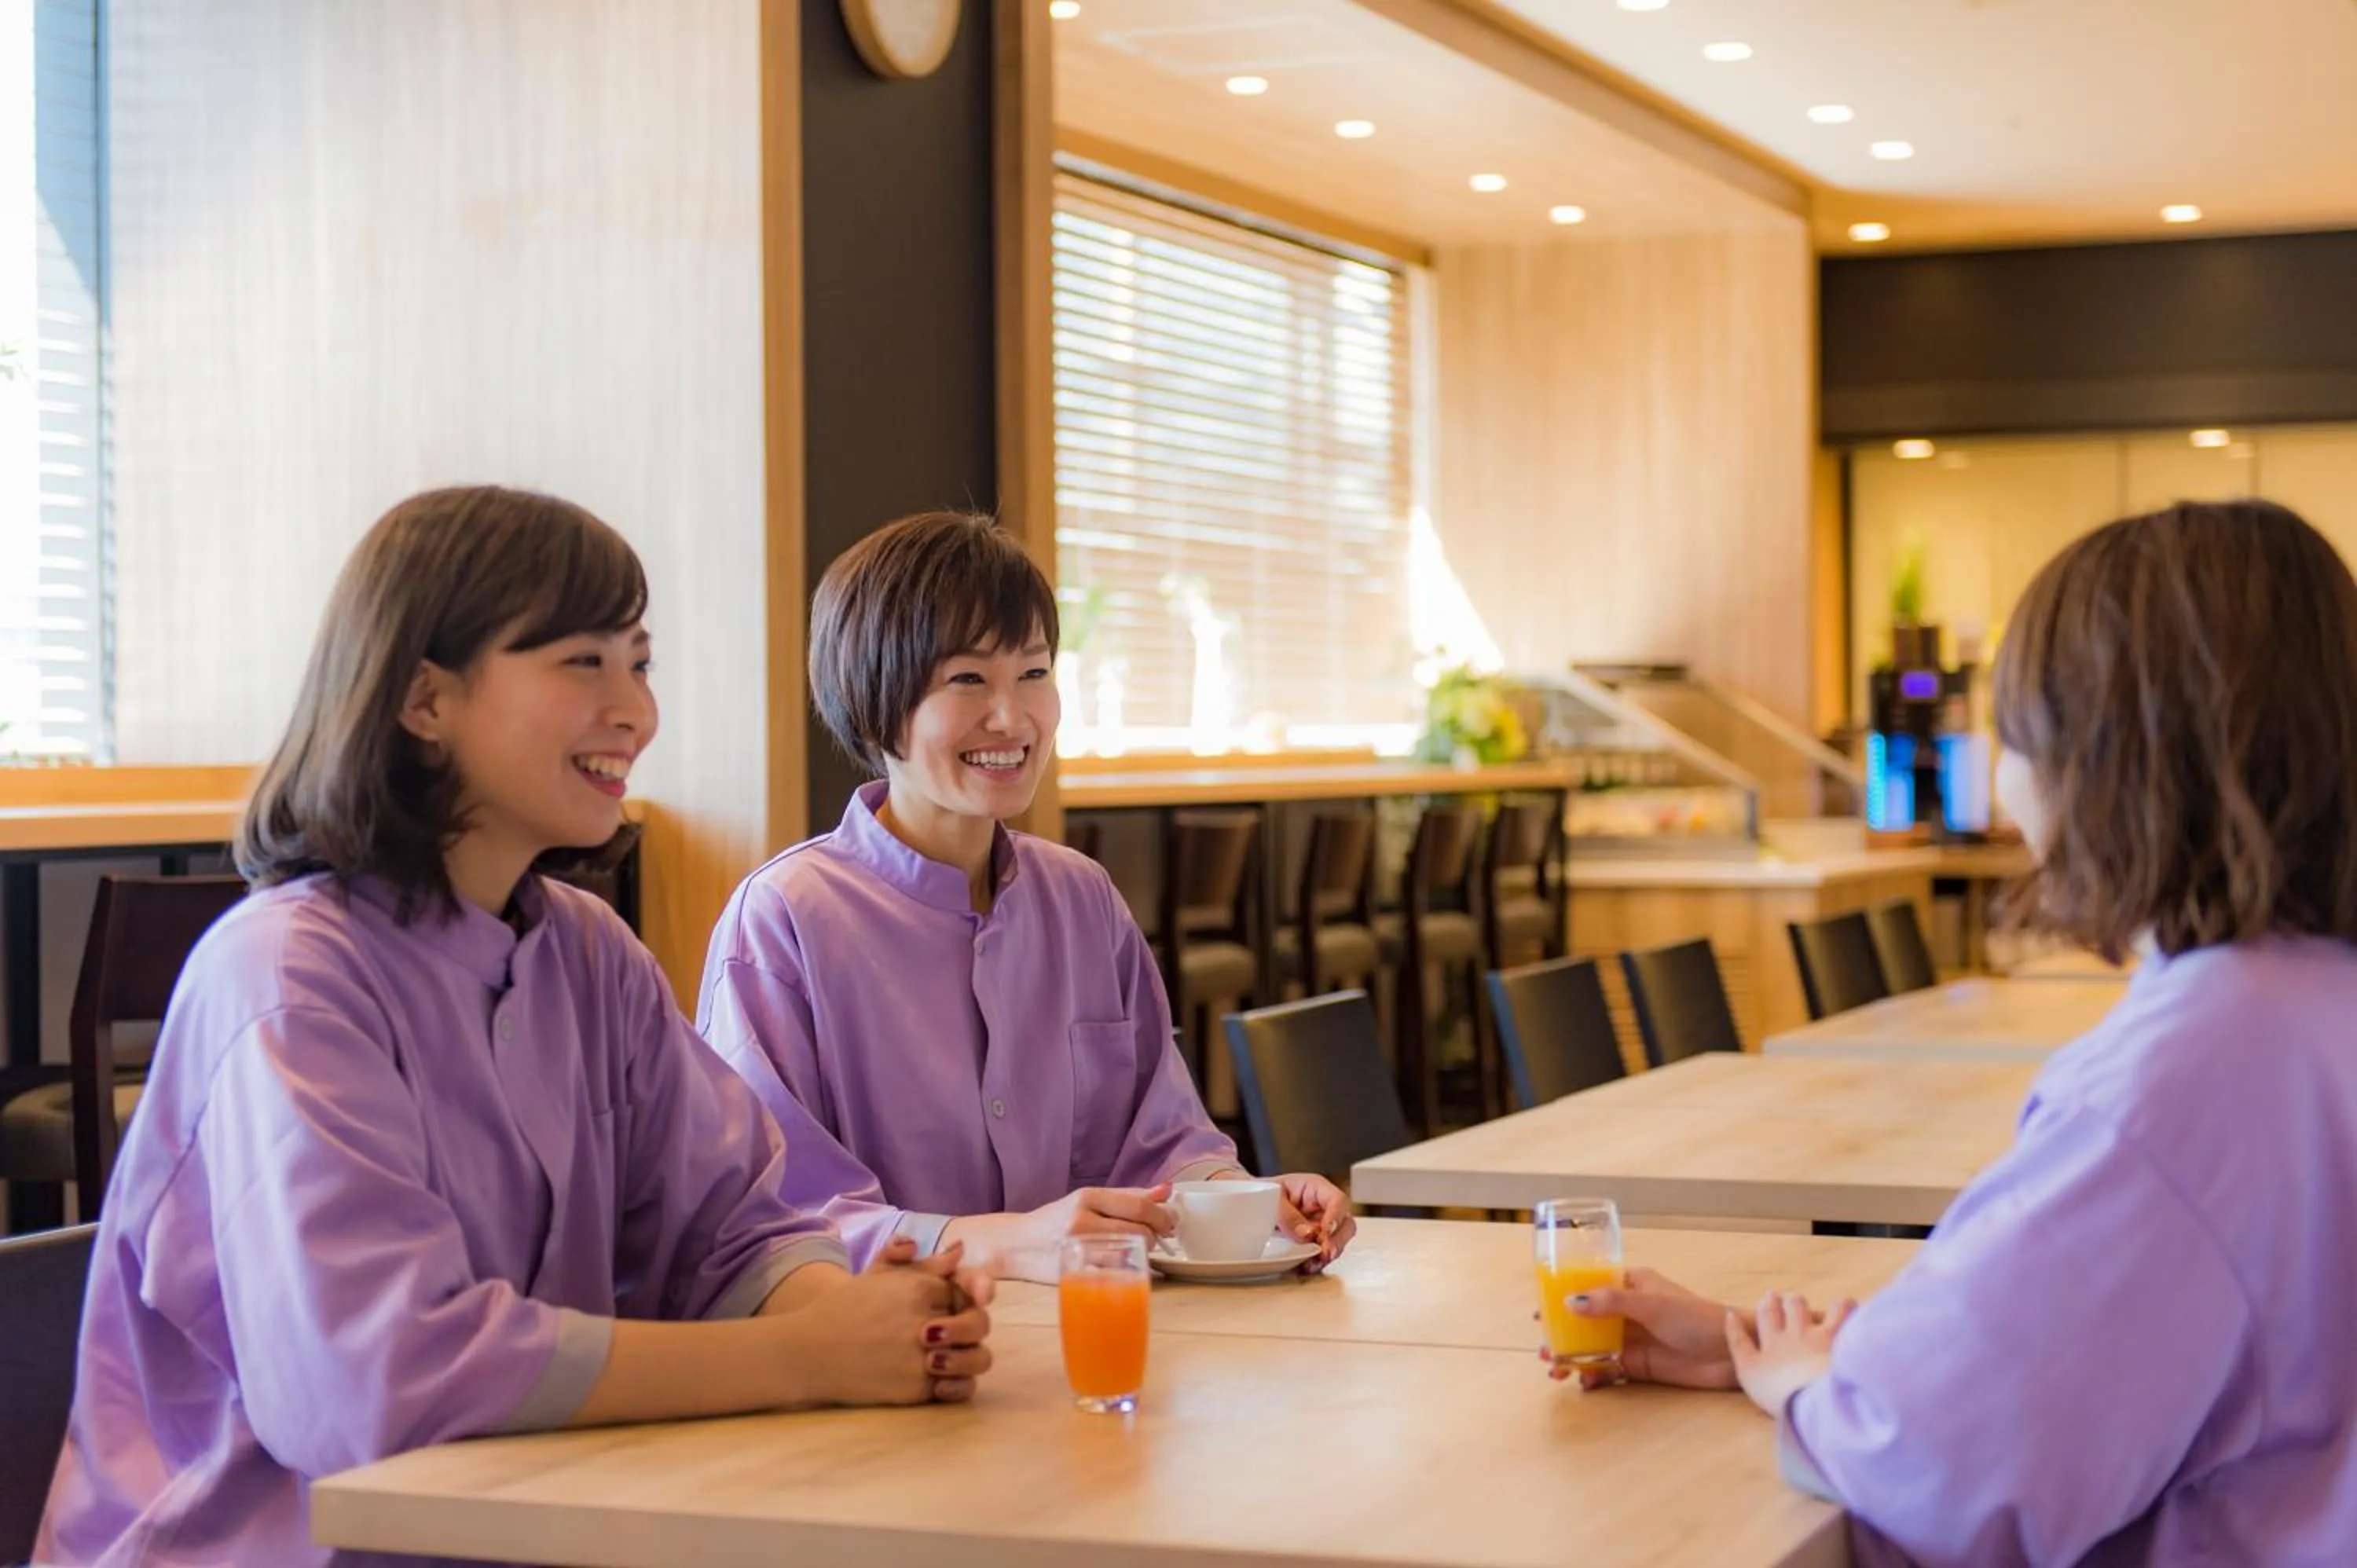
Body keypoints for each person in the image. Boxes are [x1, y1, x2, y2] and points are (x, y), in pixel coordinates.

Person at [38, 487, 992, 1567]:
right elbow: (379, 1378)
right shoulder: (288, 976)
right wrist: (807, 1359)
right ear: (423, 699)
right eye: (585, 662)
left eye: (641, 663)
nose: (636, 710)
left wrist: (870, 1322)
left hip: (531, 1522)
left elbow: (732, 1227)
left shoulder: (590, 954)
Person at [1556, 499, 2357, 1566]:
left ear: (2103, 757)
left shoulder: (2183, 1081)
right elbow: (2132, 1342)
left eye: (2013, 730)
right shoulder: (2311, 1003)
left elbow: (1941, 1467)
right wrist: (1759, 1348)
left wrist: (1812, 1392)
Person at [698, 511, 1355, 1282]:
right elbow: (766, 1219)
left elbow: (1164, 1143)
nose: (1012, 718)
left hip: (1093, 1329)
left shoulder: (1082, 899)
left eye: (1034, 674)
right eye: (967, 679)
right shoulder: (784, 920)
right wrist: (998, 1242)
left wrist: (1245, 1199)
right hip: (898, 1340)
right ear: (874, 698)